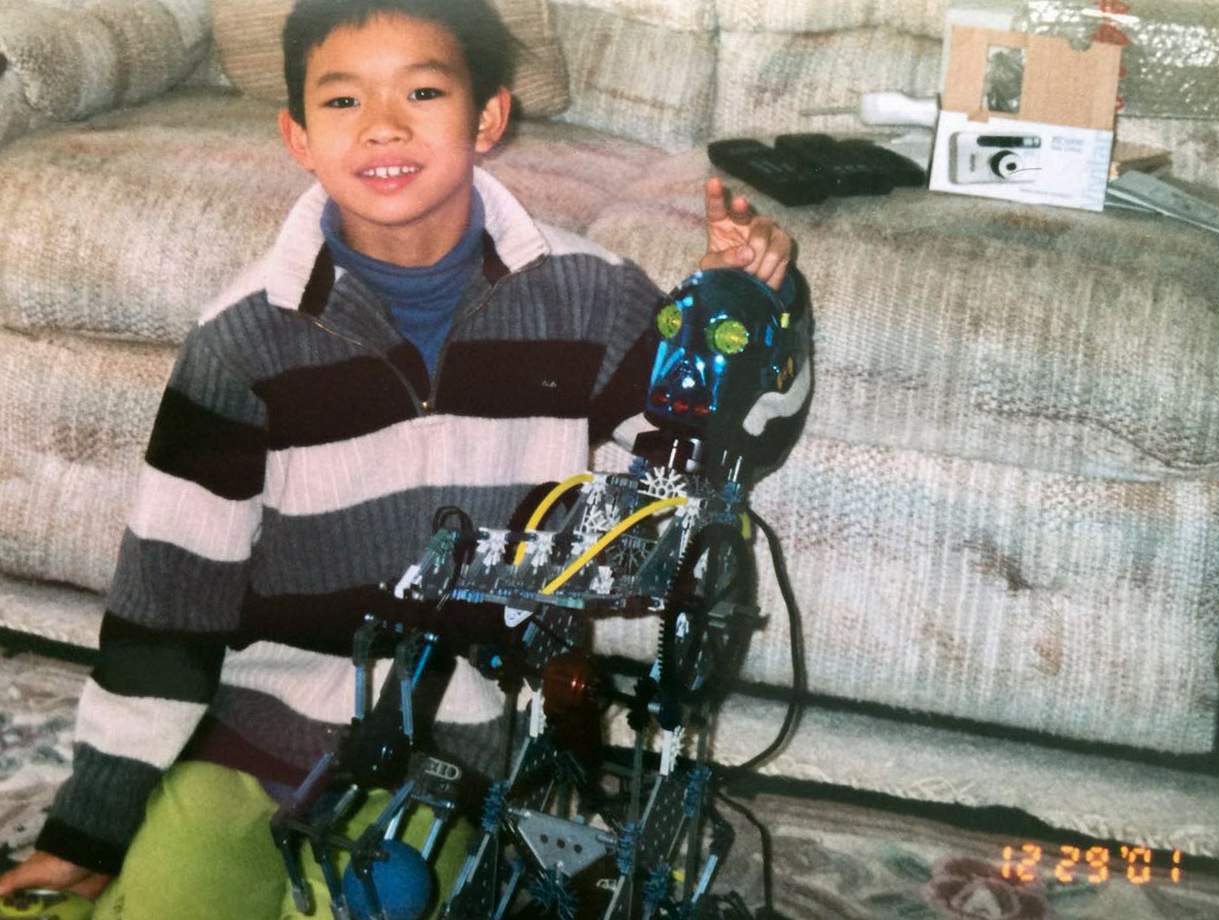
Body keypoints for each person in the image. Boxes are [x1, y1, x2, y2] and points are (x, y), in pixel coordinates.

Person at [0, 0, 794, 916]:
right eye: (342, 102)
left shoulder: (592, 299)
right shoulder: (243, 342)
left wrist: (742, 330)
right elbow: (170, 598)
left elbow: (692, 475)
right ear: (296, 136)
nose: (383, 124)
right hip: (262, 732)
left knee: (384, 899)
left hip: (462, 757)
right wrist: (88, 829)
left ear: (488, 117)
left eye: (423, 90)